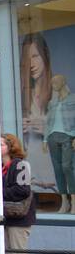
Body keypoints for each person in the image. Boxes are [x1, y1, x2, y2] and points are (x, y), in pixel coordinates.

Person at [1, 133, 34, 254]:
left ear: (10, 147)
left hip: (19, 218)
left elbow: (23, 191)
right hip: (6, 217)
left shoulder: (21, 165)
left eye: (1, 145)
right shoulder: (0, 166)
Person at [20, 33, 53, 156]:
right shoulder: (22, 96)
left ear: (45, 56)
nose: (31, 64)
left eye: (35, 56)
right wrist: (19, 127)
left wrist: (49, 131)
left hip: (53, 162)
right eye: (27, 59)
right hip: (30, 162)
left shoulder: (57, 93)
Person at [46, 75, 75, 213]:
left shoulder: (73, 99)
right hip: (53, 137)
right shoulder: (52, 102)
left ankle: (74, 201)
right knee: (58, 170)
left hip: (68, 136)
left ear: (63, 82)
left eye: (56, 82)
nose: (53, 84)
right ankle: (64, 202)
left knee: (67, 167)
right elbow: (48, 122)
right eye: (52, 82)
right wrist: (45, 139)